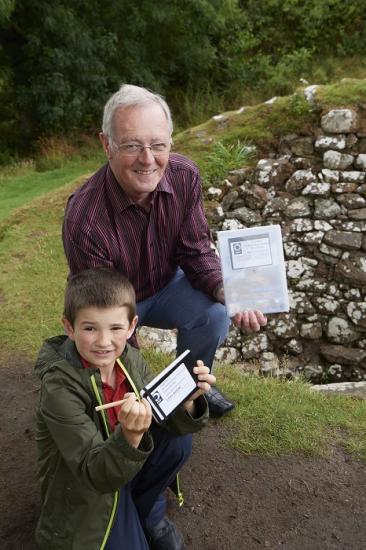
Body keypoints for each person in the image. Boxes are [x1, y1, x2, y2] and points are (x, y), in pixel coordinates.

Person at [62, 84, 267, 418]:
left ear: (170, 143)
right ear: (106, 145)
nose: (147, 159)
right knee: (123, 380)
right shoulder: (84, 218)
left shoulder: (185, 176)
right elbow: (103, 308)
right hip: (110, 302)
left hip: (166, 285)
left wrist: (224, 289)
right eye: (132, 145)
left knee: (214, 315)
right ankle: (135, 396)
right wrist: (139, 385)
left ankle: (189, 387)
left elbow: (196, 250)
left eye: (158, 145)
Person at [35, 268, 215, 550]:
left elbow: (164, 418)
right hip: (87, 487)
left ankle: (144, 511)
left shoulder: (129, 357)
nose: (104, 342)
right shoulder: (58, 389)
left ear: (132, 326)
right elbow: (93, 472)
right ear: (69, 327)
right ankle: (129, 513)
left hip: (119, 463)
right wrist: (130, 436)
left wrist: (187, 401)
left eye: (116, 328)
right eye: (90, 328)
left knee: (178, 442)